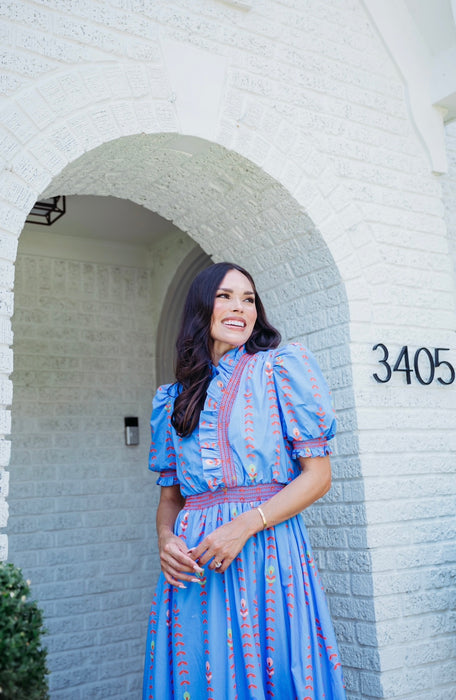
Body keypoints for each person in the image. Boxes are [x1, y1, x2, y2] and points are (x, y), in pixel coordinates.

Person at [143, 262, 346, 699]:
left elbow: (319, 477)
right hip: (195, 568)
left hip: (267, 551)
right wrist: (165, 540)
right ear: (202, 308)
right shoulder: (172, 398)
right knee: (202, 677)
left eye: (248, 299)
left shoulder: (280, 369)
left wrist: (245, 525)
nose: (239, 308)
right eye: (225, 296)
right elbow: (170, 497)